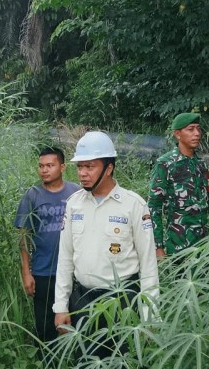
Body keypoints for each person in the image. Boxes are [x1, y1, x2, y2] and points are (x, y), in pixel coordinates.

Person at [53, 131, 159, 359]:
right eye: (80, 167)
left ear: (108, 168)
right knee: (86, 362)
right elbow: (65, 258)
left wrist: (149, 316)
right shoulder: (74, 205)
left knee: (121, 361)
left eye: (89, 167)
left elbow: (149, 267)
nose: (82, 173)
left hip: (122, 304)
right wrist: (60, 306)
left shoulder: (134, 206)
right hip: (82, 302)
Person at [14, 146, 80, 344]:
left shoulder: (76, 192)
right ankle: (46, 358)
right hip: (44, 271)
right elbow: (24, 236)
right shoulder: (32, 195)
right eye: (41, 166)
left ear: (62, 167)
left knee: (74, 320)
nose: (44, 170)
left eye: (50, 165)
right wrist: (27, 272)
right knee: (45, 324)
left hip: (74, 270)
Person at [148, 112, 209, 259]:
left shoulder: (200, 164)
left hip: (204, 244)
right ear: (177, 134)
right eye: (191, 129)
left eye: (198, 129)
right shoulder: (165, 164)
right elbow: (154, 206)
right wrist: (157, 246)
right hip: (178, 247)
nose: (197, 134)